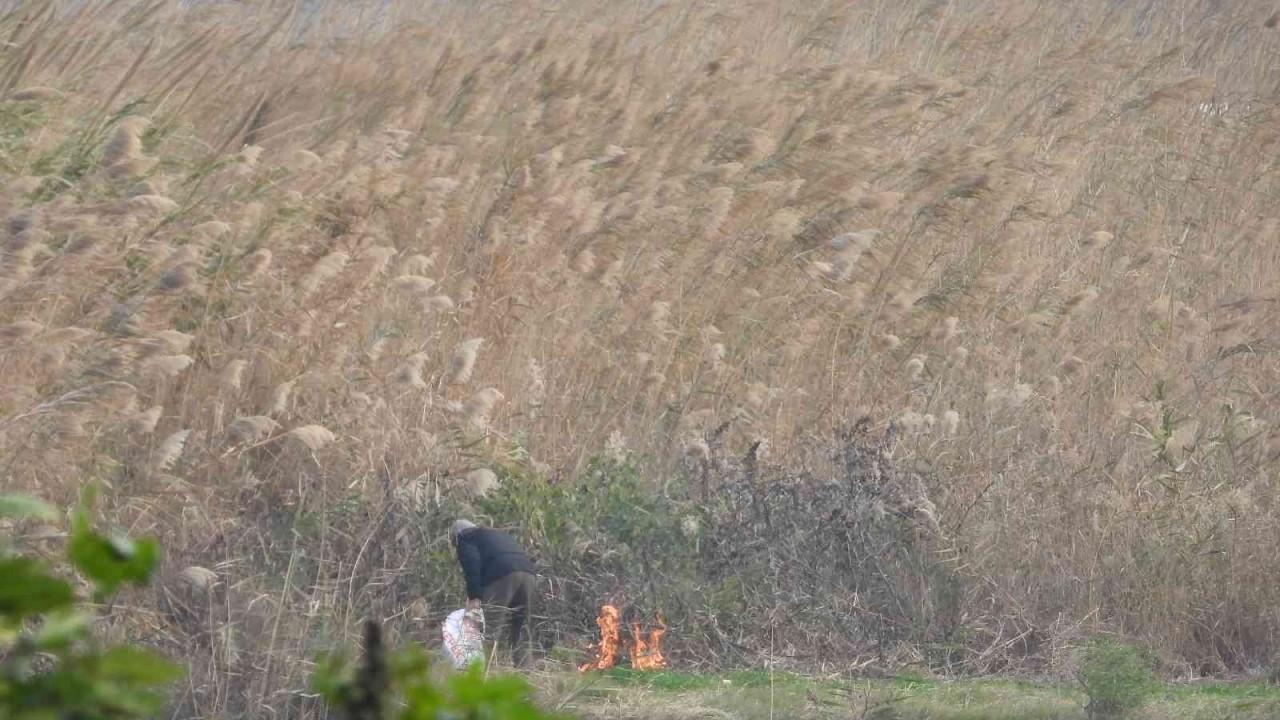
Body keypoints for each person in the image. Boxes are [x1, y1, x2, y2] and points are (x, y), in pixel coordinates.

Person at [449, 519, 537, 667]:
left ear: (456, 536)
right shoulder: (496, 535)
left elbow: (472, 565)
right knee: (521, 628)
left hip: (503, 575)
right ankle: (526, 673)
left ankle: (485, 674)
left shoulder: (465, 537)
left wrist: (474, 597)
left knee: (489, 629)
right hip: (529, 574)